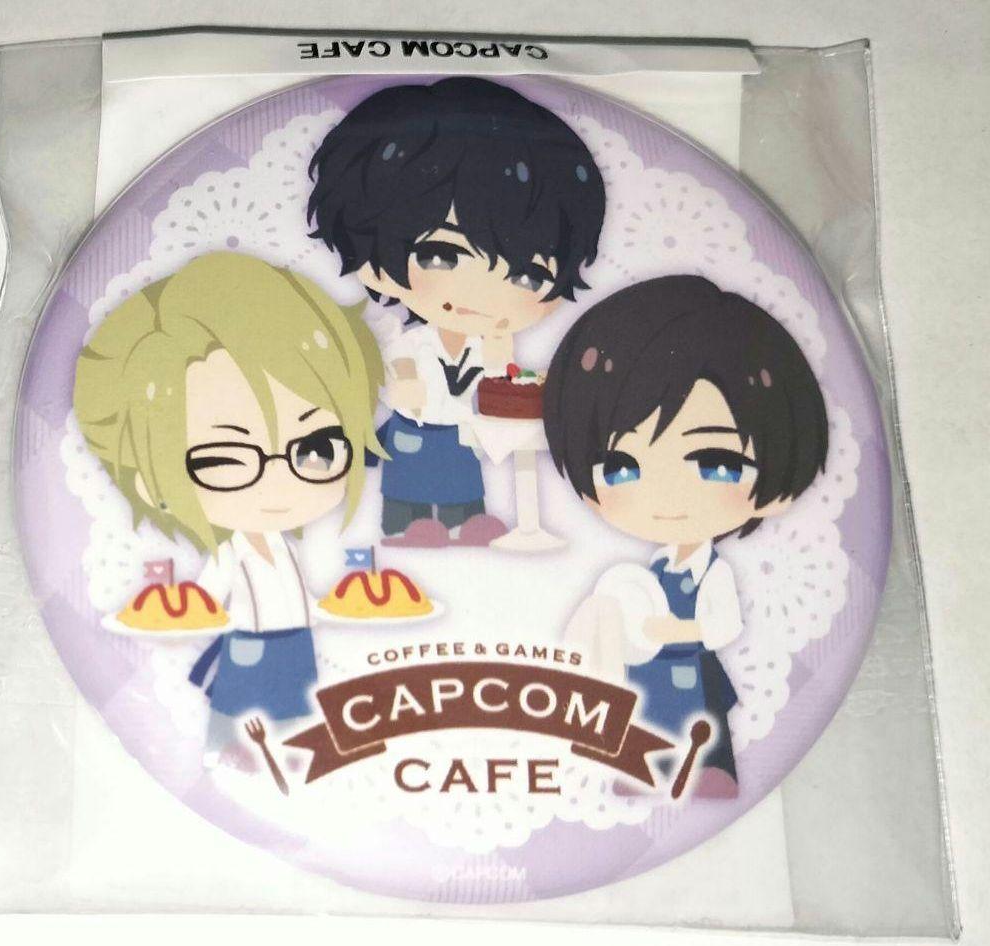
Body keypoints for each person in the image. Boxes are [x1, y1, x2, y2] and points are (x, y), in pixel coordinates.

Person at [73, 252, 384, 761]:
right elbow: (206, 599)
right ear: (152, 483)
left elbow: (296, 590)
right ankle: (228, 747)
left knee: (295, 707)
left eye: (317, 448)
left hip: (296, 642)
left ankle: (288, 752)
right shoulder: (229, 550)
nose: (280, 478)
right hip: (249, 645)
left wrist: (329, 606)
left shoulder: (283, 545)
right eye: (224, 458)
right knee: (237, 704)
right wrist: (180, 611)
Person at [543, 275, 829, 796]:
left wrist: (675, 630)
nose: (665, 495)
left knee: (700, 734)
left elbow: (723, 627)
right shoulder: (647, 573)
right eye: (621, 466)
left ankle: (707, 777)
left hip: (691, 673)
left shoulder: (711, 575)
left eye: (715, 462)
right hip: (649, 674)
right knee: (649, 723)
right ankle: (645, 774)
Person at [308, 77, 605, 546]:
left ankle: (466, 518)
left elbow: (499, 379)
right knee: (410, 477)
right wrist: (406, 380)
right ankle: (404, 522)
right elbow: (397, 364)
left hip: (463, 435)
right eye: (441, 255)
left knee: (463, 484)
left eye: (528, 276)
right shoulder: (406, 339)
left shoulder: (484, 345)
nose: (479, 296)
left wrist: (505, 362)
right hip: (414, 428)